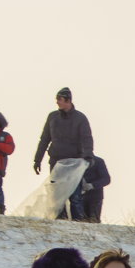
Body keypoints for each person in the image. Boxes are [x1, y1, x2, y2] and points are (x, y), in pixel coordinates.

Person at [32, 87, 95, 220]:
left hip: (74, 162)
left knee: (74, 194)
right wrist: (37, 159)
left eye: (60, 99)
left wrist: (88, 156)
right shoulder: (52, 117)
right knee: (56, 193)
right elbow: (44, 139)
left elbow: (86, 138)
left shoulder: (80, 118)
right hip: (56, 160)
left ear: (68, 100)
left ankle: (78, 221)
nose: (57, 102)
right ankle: (59, 219)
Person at [80, 155, 111, 223]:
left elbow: (106, 179)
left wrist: (92, 185)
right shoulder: (75, 161)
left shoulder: (98, 161)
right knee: (79, 222)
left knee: (93, 222)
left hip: (94, 198)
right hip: (79, 198)